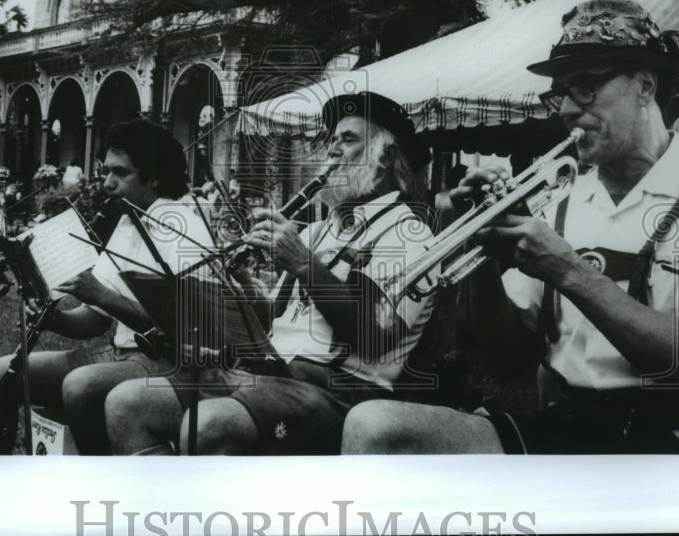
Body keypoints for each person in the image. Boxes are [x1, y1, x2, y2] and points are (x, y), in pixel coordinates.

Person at [342, 0, 679, 455]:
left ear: (644, 86)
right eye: (558, 92)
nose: (563, 108)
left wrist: (569, 271)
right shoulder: (563, 201)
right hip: (572, 429)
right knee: (374, 424)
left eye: (583, 87)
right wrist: (474, 246)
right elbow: (507, 363)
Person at [103, 91, 437, 455]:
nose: (332, 150)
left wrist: (302, 262)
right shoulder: (318, 230)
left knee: (209, 423)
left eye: (349, 139)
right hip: (270, 373)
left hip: (339, 390)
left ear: (386, 156)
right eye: (332, 140)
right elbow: (271, 322)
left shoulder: (408, 234)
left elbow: (373, 334)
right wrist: (237, 284)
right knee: (127, 404)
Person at [0, 119, 212, 454]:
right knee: (1, 373)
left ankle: (94, 480)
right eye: (105, 171)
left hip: (165, 362)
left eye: (120, 173)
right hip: (118, 354)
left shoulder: (182, 227)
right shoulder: (127, 222)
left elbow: (184, 331)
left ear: (155, 177)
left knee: (80, 385)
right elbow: (95, 319)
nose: (107, 183)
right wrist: (56, 319)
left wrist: (101, 294)